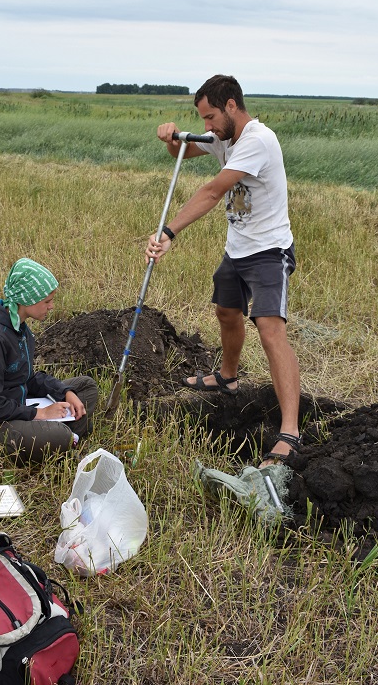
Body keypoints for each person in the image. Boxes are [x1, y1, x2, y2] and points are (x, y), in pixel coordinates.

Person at [145, 74, 301, 466]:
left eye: (211, 117)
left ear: (231, 105)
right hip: (238, 249)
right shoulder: (223, 138)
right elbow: (182, 152)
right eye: (203, 120)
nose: (207, 128)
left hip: (269, 250)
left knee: (270, 329)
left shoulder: (257, 140)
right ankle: (228, 378)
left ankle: (290, 430)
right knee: (226, 312)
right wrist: (171, 139)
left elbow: (213, 191)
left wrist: (169, 231)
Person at [0, 257, 98, 463]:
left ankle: (57, 437)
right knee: (59, 437)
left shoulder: (19, 328)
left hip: (14, 407)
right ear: (27, 299)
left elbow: (25, 378)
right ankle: (62, 437)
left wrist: (64, 392)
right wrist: (39, 413)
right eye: (47, 301)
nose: (52, 306)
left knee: (85, 388)